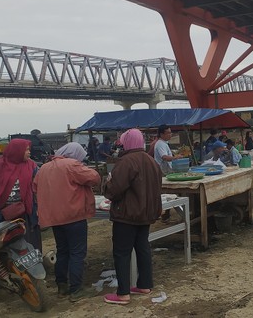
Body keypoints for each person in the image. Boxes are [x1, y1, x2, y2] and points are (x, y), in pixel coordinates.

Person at [33, 142, 101, 302]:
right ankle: (76, 289)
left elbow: (35, 187)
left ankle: (61, 287)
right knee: (77, 253)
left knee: (62, 251)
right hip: (74, 216)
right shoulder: (72, 165)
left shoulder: (44, 168)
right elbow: (95, 178)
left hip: (55, 218)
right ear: (74, 154)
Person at [103, 128, 163, 305]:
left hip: (127, 215)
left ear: (127, 142)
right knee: (142, 248)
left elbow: (114, 190)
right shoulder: (152, 161)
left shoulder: (126, 162)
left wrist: (107, 183)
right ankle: (145, 285)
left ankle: (123, 294)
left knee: (122, 253)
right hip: (146, 214)